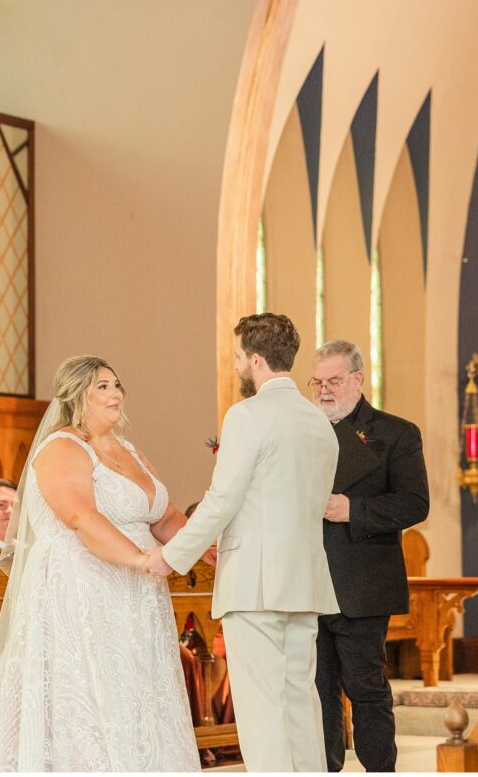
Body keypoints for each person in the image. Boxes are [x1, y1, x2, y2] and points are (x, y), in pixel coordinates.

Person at [0, 355, 201, 772]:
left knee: (137, 689)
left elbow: (163, 516)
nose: (115, 393)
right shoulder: (60, 448)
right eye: (102, 387)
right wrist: (142, 558)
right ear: (77, 395)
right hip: (83, 591)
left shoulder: (130, 449)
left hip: (137, 592)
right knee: (88, 693)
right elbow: (80, 516)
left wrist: (200, 544)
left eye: (116, 384)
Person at [145, 312, 339, 772]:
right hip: (305, 579)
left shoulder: (248, 415)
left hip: (255, 581)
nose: (235, 365)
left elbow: (222, 500)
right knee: (298, 699)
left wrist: (171, 557)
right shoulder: (319, 422)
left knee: (261, 707)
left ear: (255, 359)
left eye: (236, 356)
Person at [309, 339, 430, 773]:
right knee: (316, 693)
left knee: (366, 688)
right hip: (307, 582)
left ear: (358, 380)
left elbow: (415, 504)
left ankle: (380, 770)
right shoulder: (303, 431)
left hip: (362, 584)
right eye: (317, 382)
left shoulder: (395, 432)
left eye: (334, 381)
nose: (324, 390)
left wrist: (352, 509)